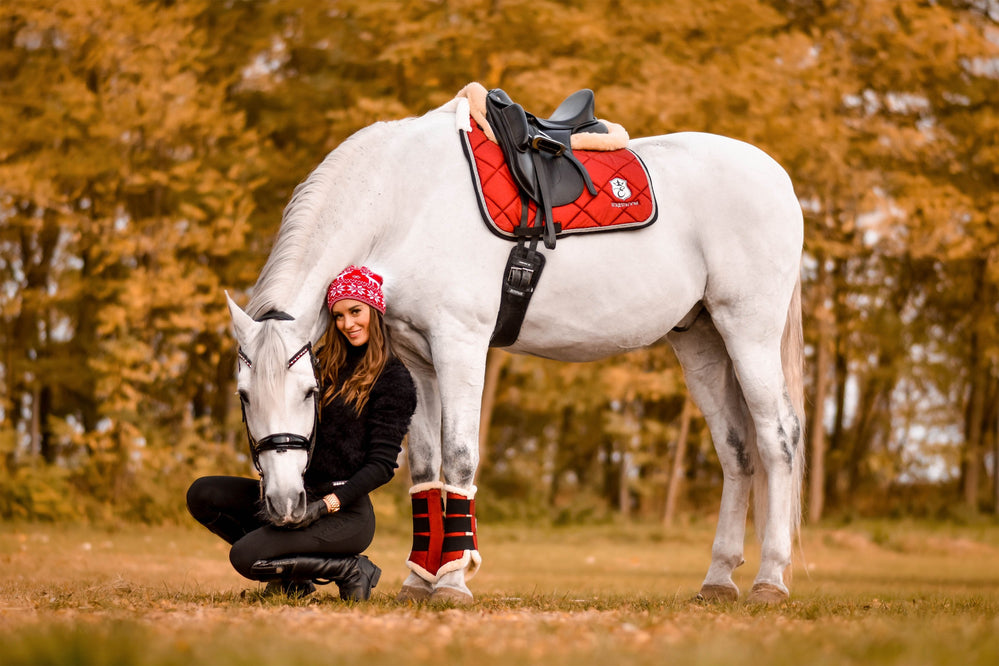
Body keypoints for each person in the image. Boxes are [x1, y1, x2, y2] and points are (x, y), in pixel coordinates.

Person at [186, 265, 417, 600]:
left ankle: (352, 569)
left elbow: (382, 466)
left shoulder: (394, 380)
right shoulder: (320, 365)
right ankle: (295, 578)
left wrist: (324, 507)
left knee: (246, 557)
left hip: (345, 513)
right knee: (203, 494)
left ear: (375, 311)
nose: (347, 324)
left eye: (356, 312)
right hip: (300, 491)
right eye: (338, 316)